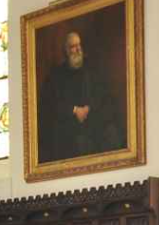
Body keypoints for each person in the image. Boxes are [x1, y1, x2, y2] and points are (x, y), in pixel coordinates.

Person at [38, 30, 124, 163]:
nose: (77, 49)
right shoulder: (57, 75)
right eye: (73, 46)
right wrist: (74, 110)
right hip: (69, 126)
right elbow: (52, 103)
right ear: (66, 50)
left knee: (111, 135)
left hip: (94, 119)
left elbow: (103, 94)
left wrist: (89, 108)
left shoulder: (92, 68)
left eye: (79, 45)